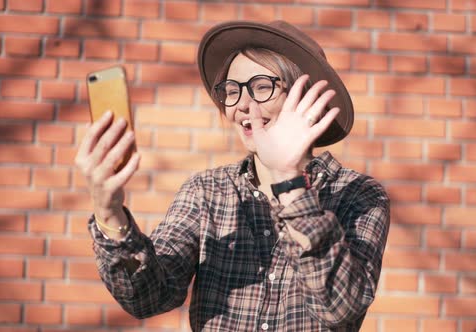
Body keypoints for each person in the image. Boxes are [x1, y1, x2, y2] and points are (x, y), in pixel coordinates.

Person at [75, 20, 390, 331]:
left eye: (262, 86)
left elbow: (339, 308)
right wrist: (109, 212)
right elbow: (148, 298)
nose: (243, 104)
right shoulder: (207, 191)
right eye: (231, 90)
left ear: (305, 97)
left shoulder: (358, 195)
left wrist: (289, 182)